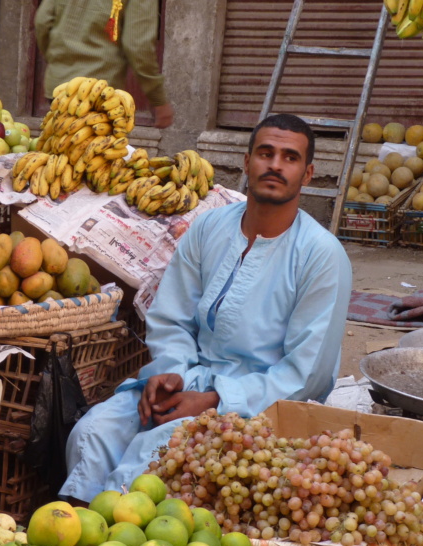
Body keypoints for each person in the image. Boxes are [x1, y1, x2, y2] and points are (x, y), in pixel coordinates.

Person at [60, 113, 353, 502]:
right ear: (247, 162)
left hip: (257, 405)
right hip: (191, 383)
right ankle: (71, 531)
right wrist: (171, 374)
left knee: (151, 456)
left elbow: (308, 375)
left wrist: (216, 400)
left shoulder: (321, 255)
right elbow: (171, 318)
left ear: (308, 172)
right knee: (92, 433)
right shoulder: (209, 227)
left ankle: (105, 538)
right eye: (265, 153)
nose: (276, 165)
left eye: (290, 157)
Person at [35, 0, 174, 128]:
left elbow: (42, 21)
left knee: (59, 149)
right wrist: (158, 99)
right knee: (95, 153)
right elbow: (137, 46)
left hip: (60, 86)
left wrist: (56, 61)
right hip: (100, 91)